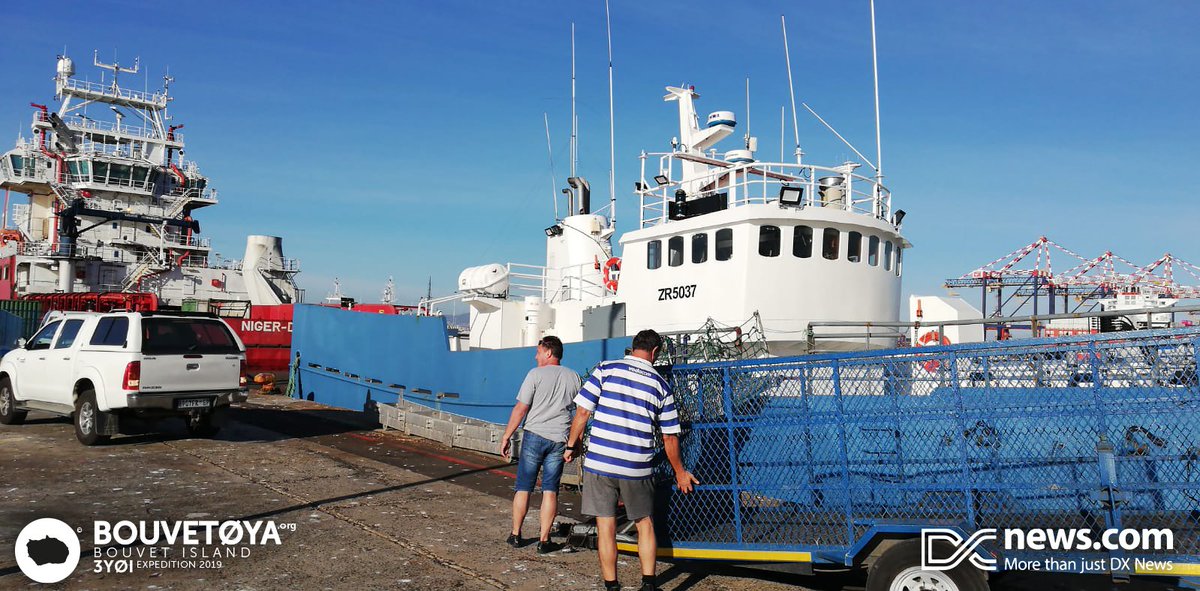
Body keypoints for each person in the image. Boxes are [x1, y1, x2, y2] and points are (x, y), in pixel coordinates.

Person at [564, 329, 697, 591]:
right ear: (655, 352)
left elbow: (582, 412)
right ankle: (648, 584)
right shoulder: (661, 385)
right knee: (644, 523)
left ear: (632, 347)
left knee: (606, 526)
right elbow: (670, 437)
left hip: (600, 462)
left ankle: (612, 586)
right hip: (636, 466)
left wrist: (572, 444)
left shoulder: (606, 369)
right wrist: (680, 472)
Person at [500, 335, 581, 554]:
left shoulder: (534, 374)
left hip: (534, 436)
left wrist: (507, 435)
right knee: (550, 491)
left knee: (524, 487)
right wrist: (575, 444)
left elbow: (521, 408)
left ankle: (516, 535)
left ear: (548, 352)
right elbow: (580, 414)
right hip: (559, 441)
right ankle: (544, 541)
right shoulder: (574, 377)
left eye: (538, 352)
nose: (535, 356)